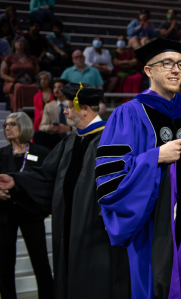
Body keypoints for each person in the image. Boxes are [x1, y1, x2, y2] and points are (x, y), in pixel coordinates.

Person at [96, 38, 181, 299]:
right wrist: (155, 156)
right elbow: (110, 178)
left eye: (180, 65)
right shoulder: (129, 114)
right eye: (167, 63)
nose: (176, 70)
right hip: (152, 229)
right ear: (148, 70)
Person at [0, 83, 131, 298]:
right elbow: (45, 176)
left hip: (96, 232)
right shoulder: (70, 141)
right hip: (70, 228)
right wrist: (15, 182)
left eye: (69, 106)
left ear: (85, 109)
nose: (65, 111)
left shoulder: (111, 140)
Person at [0, 112, 53, 299]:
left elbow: (44, 180)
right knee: (4, 264)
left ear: (24, 126)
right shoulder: (2, 153)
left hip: (31, 211)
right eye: (6, 125)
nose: (7, 128)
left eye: (12, 124)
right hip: (5, 214)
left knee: (40, 262)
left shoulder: (39, 152)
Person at [0, 36, 39, 112]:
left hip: (28, 82)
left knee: (36, 87)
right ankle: (18, 112)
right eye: (17, 41)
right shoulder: (8, 58)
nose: (19, 43)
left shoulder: (32, 58)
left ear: (25, 44)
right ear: (14, 44)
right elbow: (2, 74)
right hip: (11, 82)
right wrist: (14, 80)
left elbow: (36, 74)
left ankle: (34, 113)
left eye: (22, 42)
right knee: (19, 86)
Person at [33, 79, 71, 150]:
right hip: (55, 136)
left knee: (65, 135)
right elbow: (42, 126)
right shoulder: (49, 106)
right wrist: (49, 127)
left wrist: (68, 128)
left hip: (70, 134)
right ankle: (44, 158)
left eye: (60, 87)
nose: (56, 89)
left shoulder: (73, 105)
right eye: (54, 87)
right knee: (37, 134)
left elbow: (81, 125)